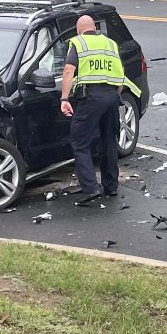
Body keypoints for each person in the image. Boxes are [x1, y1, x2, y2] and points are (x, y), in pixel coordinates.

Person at [58, 14, 142, 206]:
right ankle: (111, 186)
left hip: (91, 98)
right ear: (95, 28)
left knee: (80, 142)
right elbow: (120, 74)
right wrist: (114, 95)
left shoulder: (78, 43)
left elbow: (69, 70)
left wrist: (64, 98)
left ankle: (90, 188)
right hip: (112, 96)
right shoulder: (110, 44)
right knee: (109, 140)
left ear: (78, 29)